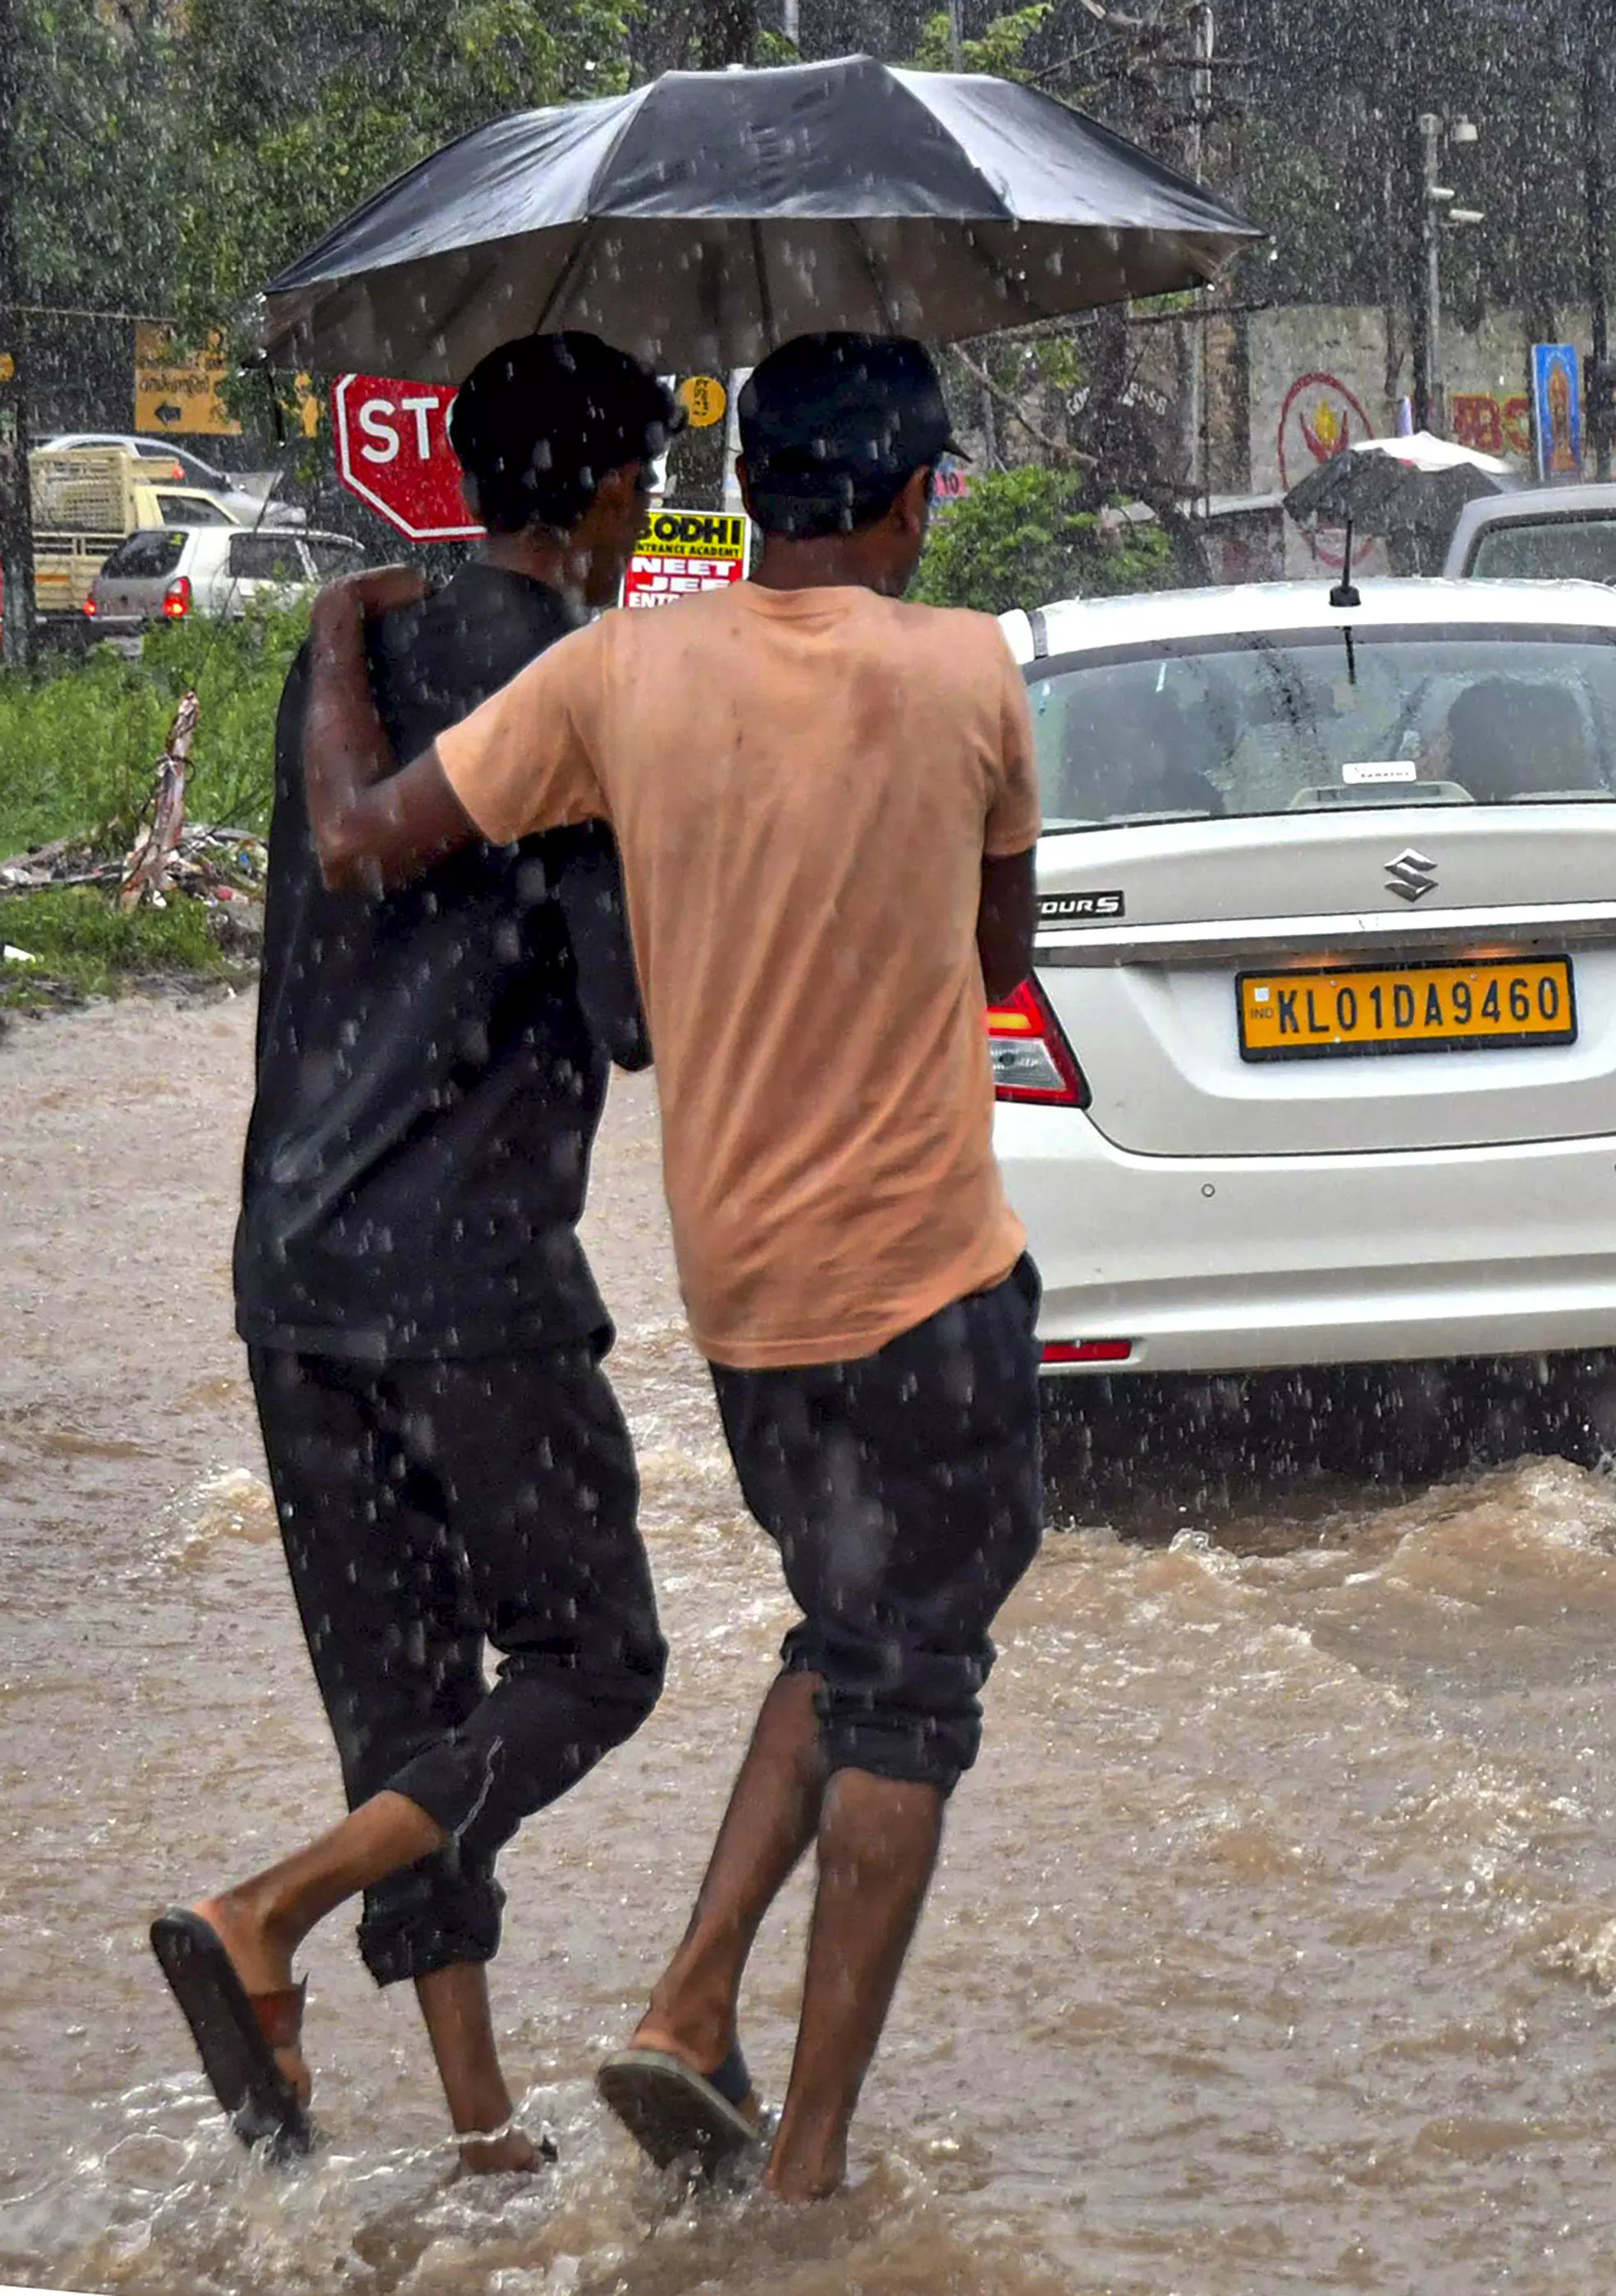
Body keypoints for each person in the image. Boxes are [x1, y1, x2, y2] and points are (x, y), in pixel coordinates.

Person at [289, 331, 1045, 2203]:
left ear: (736, 489)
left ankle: (632, 2041)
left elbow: (362, 839)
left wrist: (327, 651)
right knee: (881, 1684)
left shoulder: (611, 669)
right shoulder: (963, 668)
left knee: (820, 1634)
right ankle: (799, 2170)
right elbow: (997, 957)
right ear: (909, 495)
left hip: (715, 1304)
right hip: (908, 1279)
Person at [147, 334, 678, 2175]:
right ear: (613, 494)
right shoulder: (591, 696)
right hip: (472, 1274)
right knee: (598, 1663)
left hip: (290, 1268)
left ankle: (480, 2134)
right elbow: (630, 1018)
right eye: (646, 485)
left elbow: (350, 865)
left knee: (408, 1704)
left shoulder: (344, 649)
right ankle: (267, 1914)